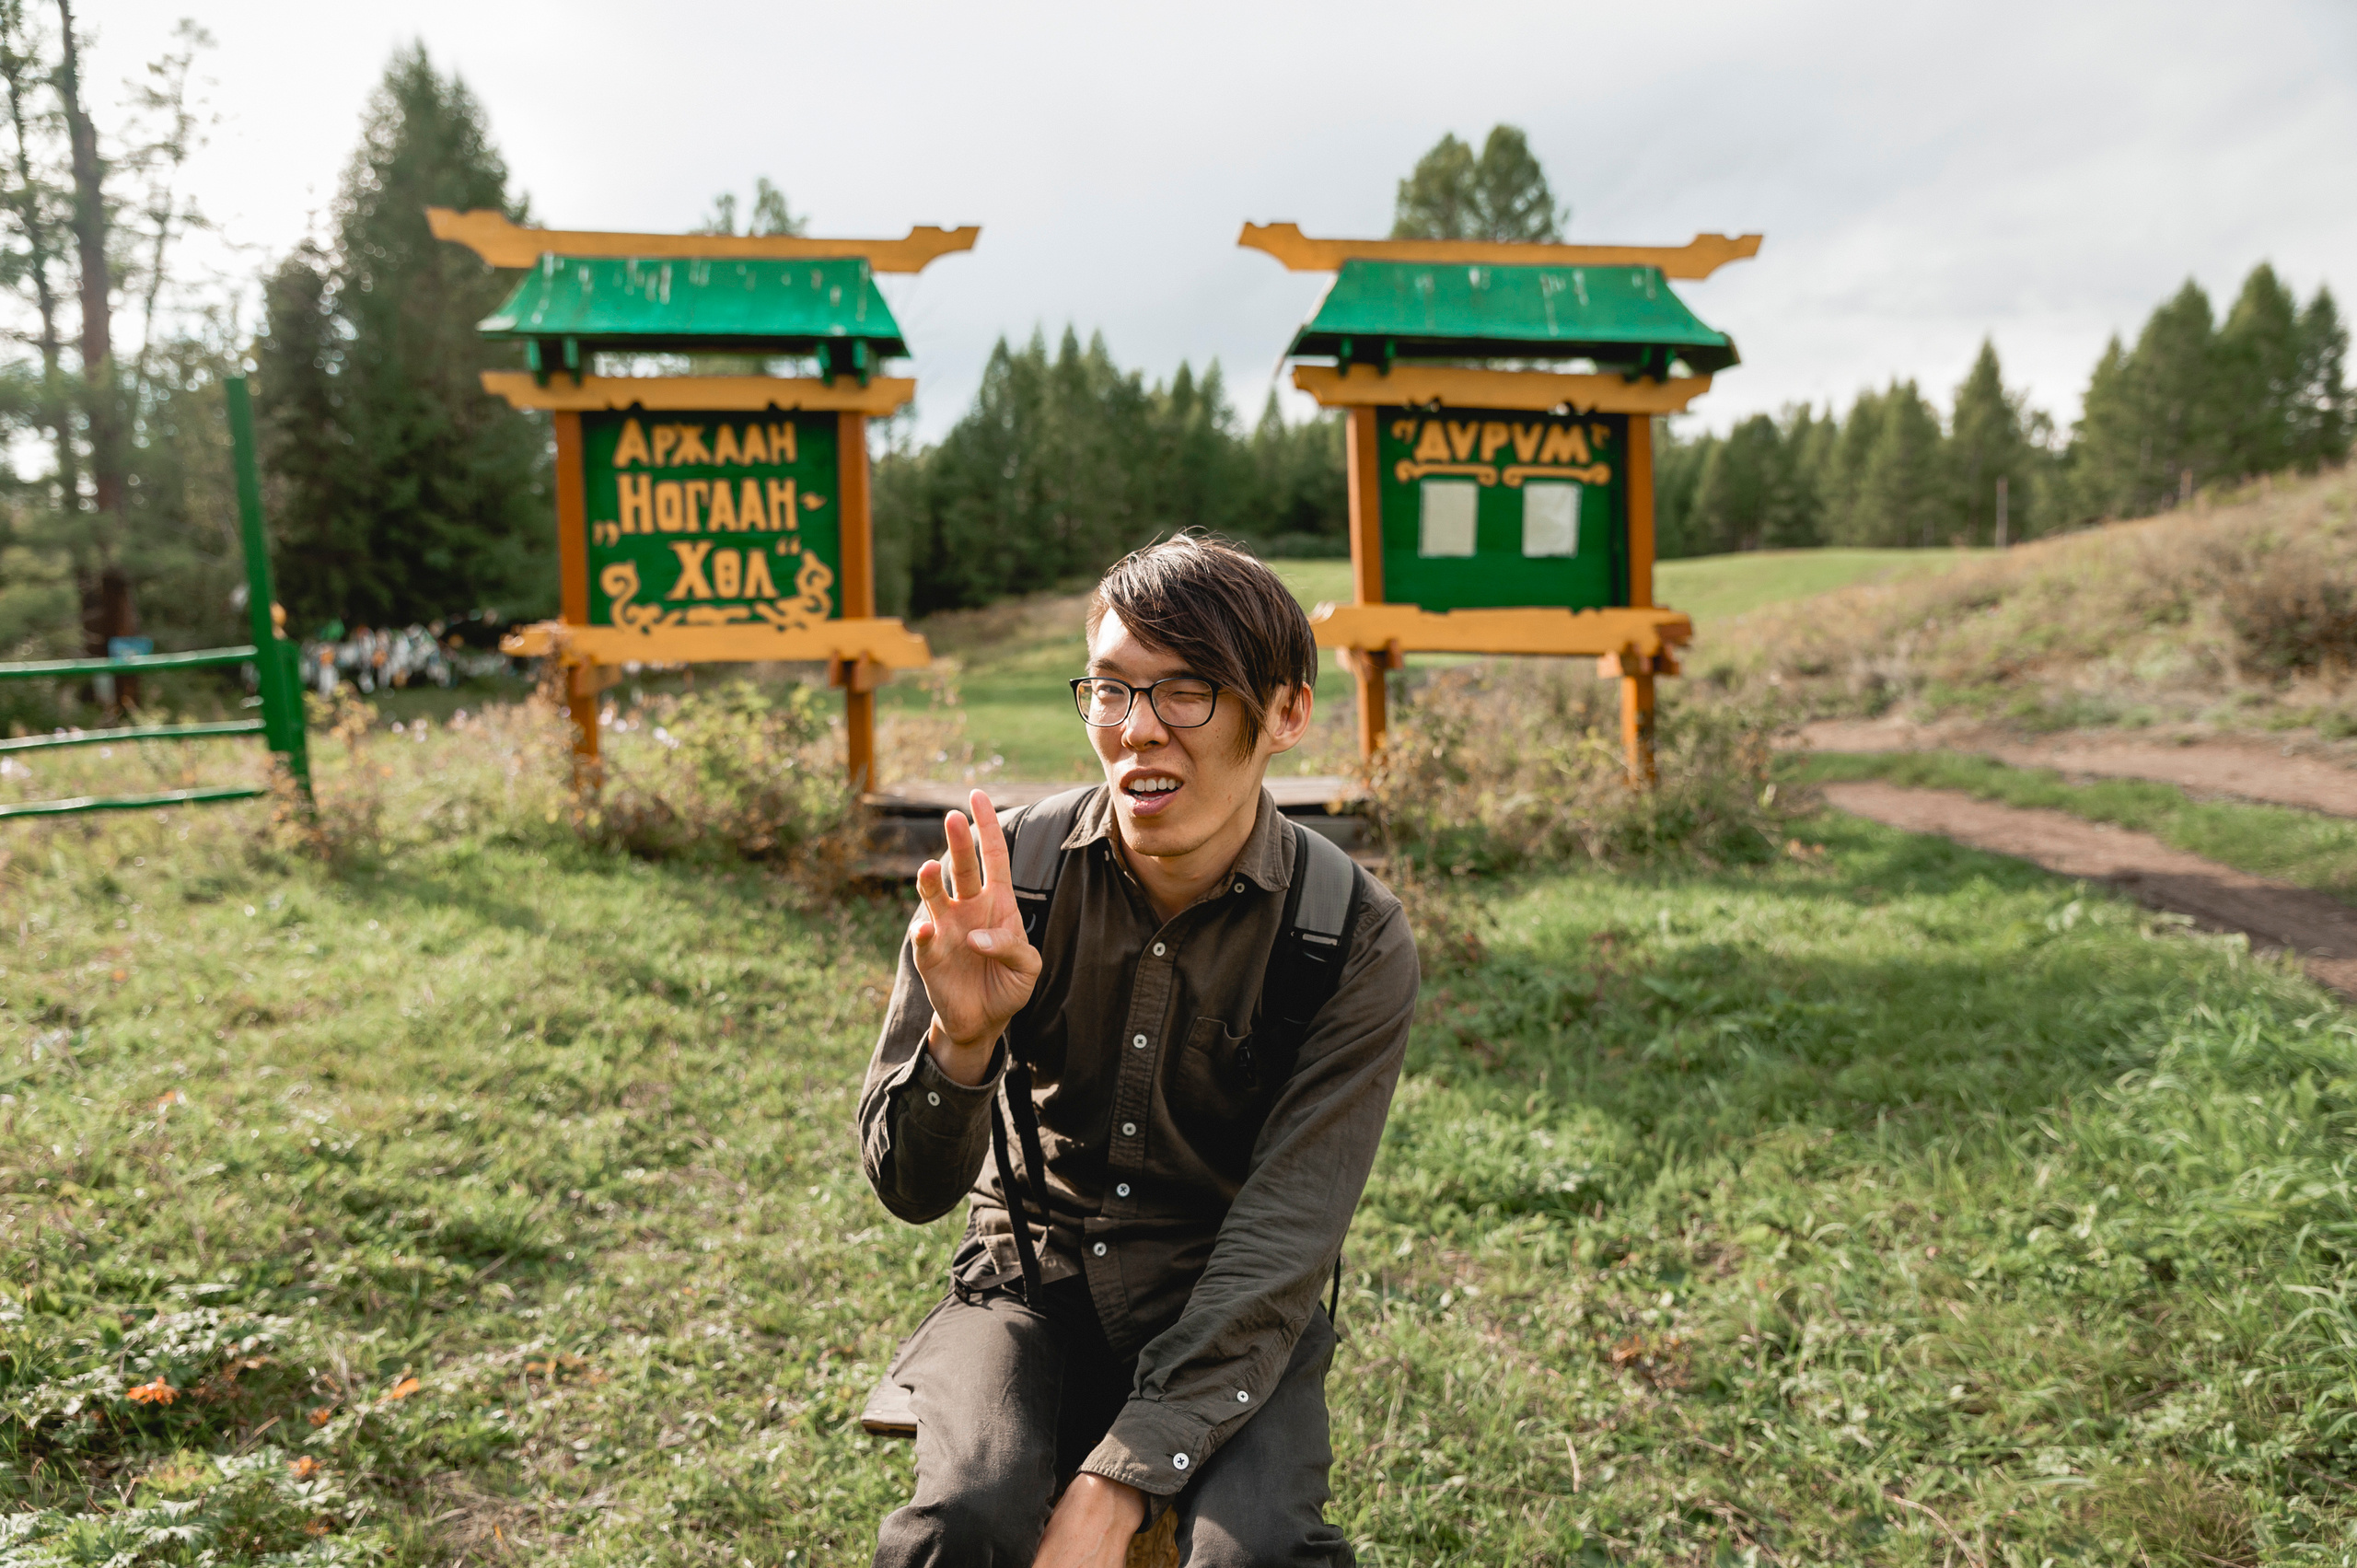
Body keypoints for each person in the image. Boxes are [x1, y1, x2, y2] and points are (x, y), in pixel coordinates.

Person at [856, 535, 1419, 1567]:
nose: (1138, 730)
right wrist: (963, 1038)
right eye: (1110, 691)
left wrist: (1119, 1478)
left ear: (1285, 712)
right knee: (962, 1525)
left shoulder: (1350, 933)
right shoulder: (1004, 881)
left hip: (1229, 1296)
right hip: (1030, 1279)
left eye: (1188, 691)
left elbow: (1286, 1235)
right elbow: (907, 1184)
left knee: (1258, 1553)